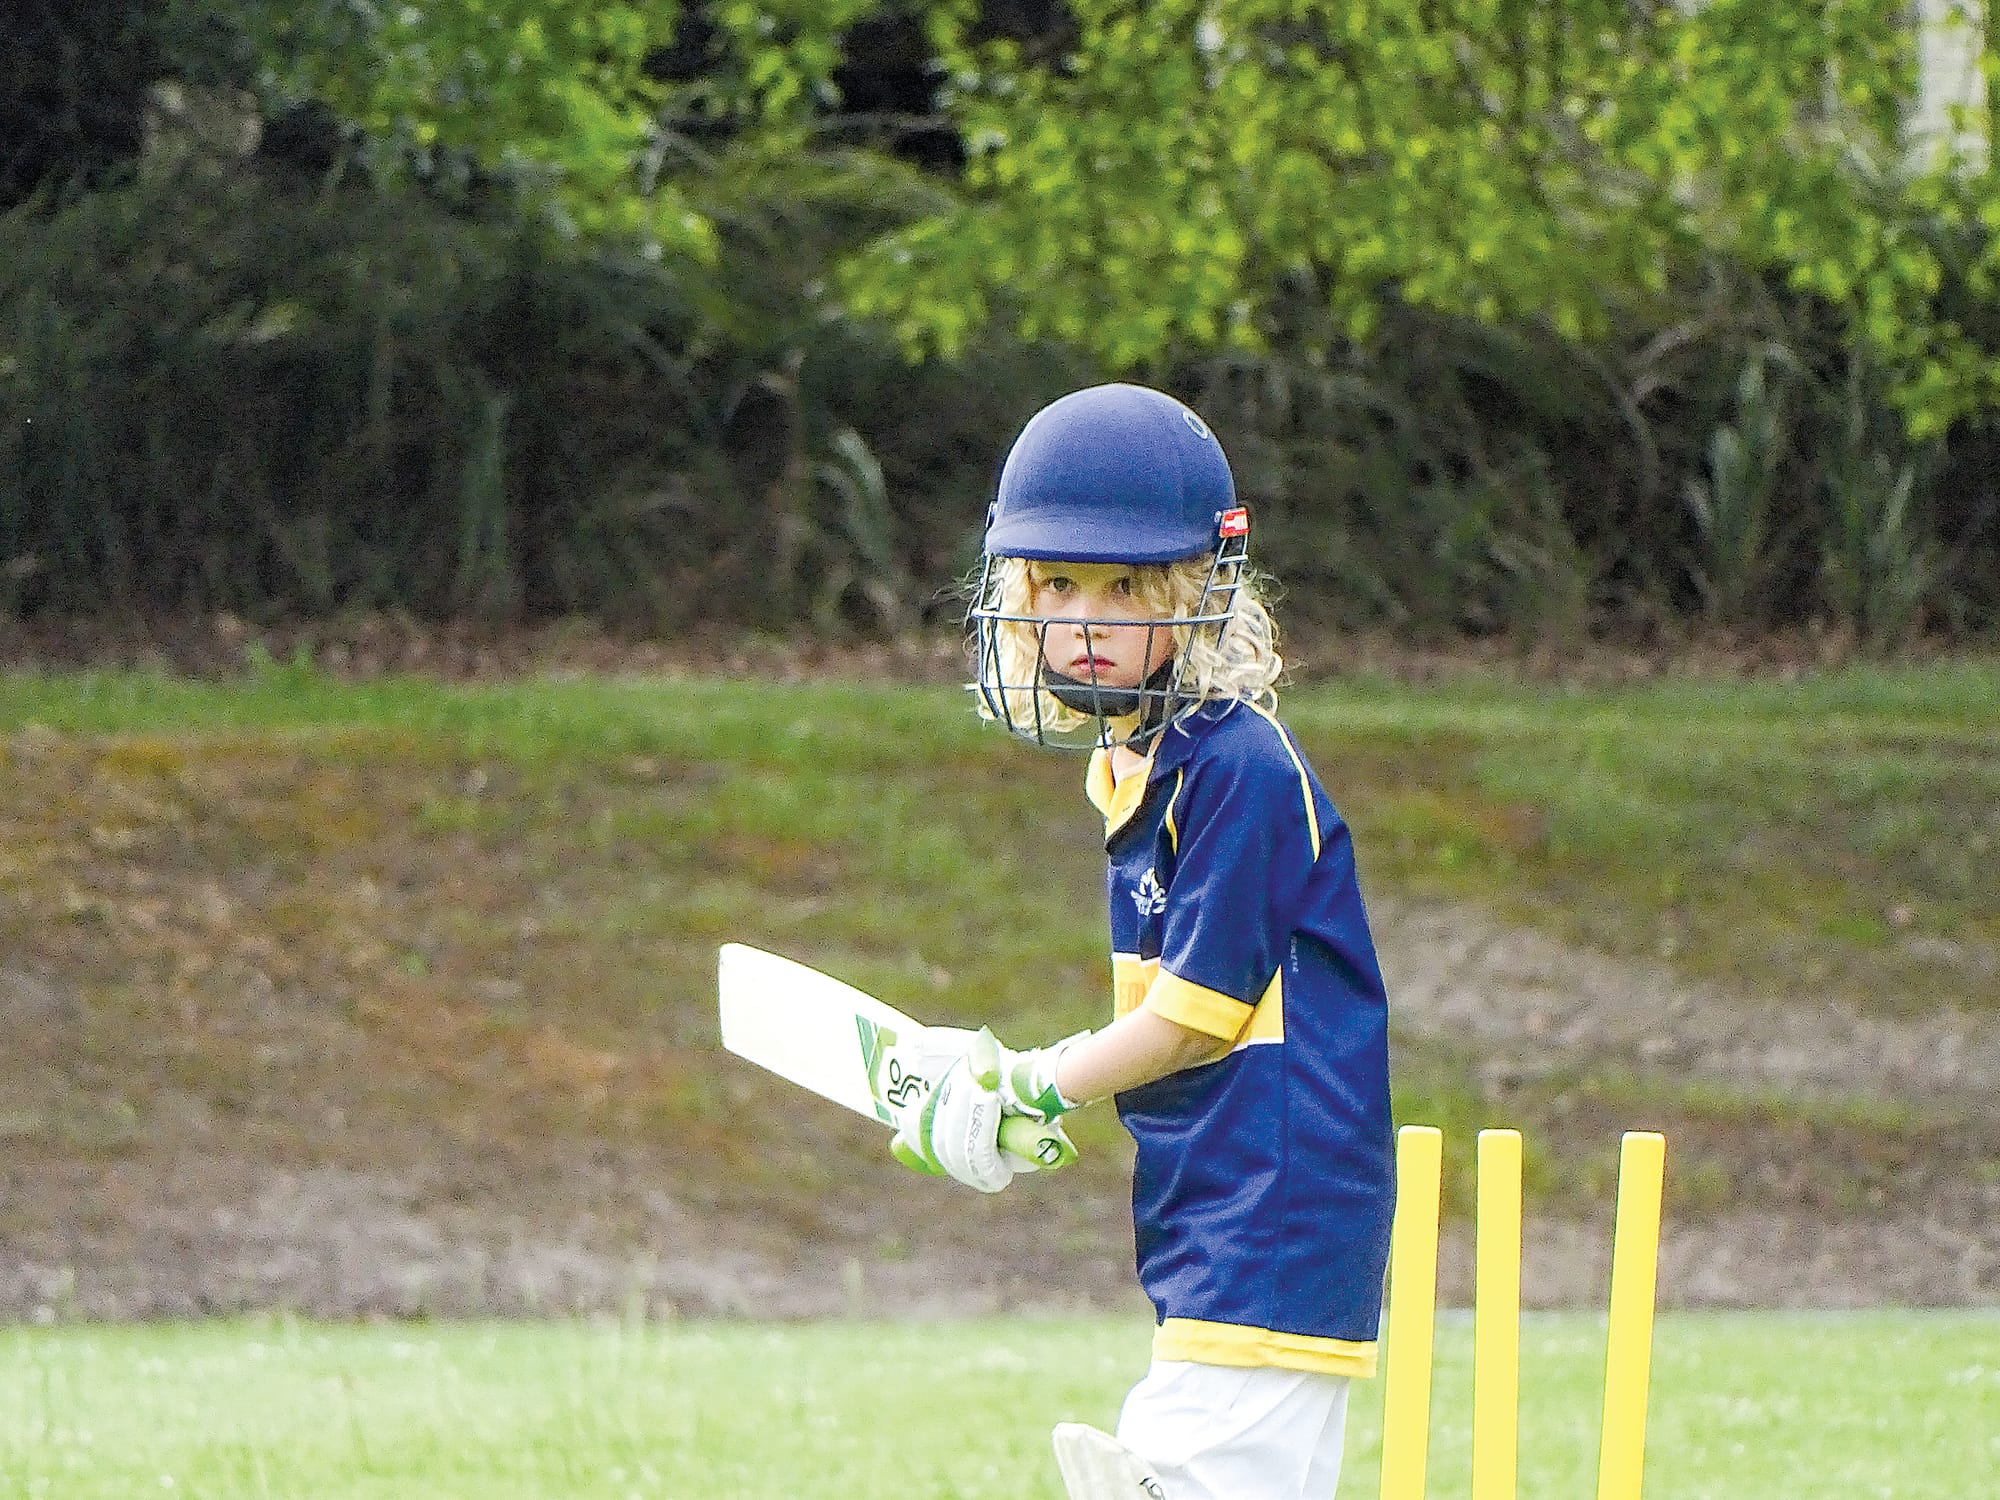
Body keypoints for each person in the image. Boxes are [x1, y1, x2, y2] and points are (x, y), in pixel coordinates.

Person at [891, 383, 1397, 1500]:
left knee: (1179, 1475)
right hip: (1211, 1203)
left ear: (1194, 592)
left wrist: (1029, 1080)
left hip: (1276, 1200)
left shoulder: (1238, 771)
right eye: (1058, 583)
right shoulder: (1145, 766)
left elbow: (1184, 1022)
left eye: (1122, 587)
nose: (1082, 618)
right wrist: (1021, 1091)